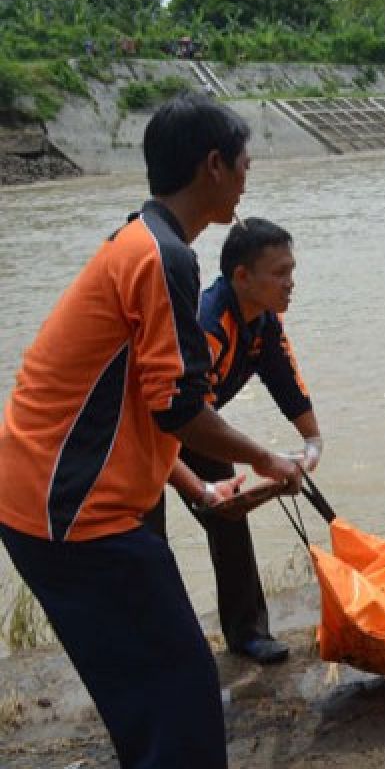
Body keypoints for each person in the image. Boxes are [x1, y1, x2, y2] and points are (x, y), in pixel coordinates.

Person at [0, 92, 302, 768]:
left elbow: (136, 406)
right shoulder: (165, 258)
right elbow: (177, 409)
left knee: (153, 704)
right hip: (75, 515)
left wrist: (201, 489)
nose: (251, 173)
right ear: (214, 166)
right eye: (245, 160)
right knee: (182, 701)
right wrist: (269, 459)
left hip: (49, 502)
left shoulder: (142, 241)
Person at [146, 217, 321, 665]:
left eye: (292, 270)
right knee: (149, 544)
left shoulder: (262, 322)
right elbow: (163, 419)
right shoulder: (206, 323)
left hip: (198, 424)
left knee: (229, 519)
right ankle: (163, 650)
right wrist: (211, 485)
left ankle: (247, 632)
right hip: (148, 431)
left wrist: (311, 442)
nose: (290, 283)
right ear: (242, 277)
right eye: (280, 273)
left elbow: (286, 379)